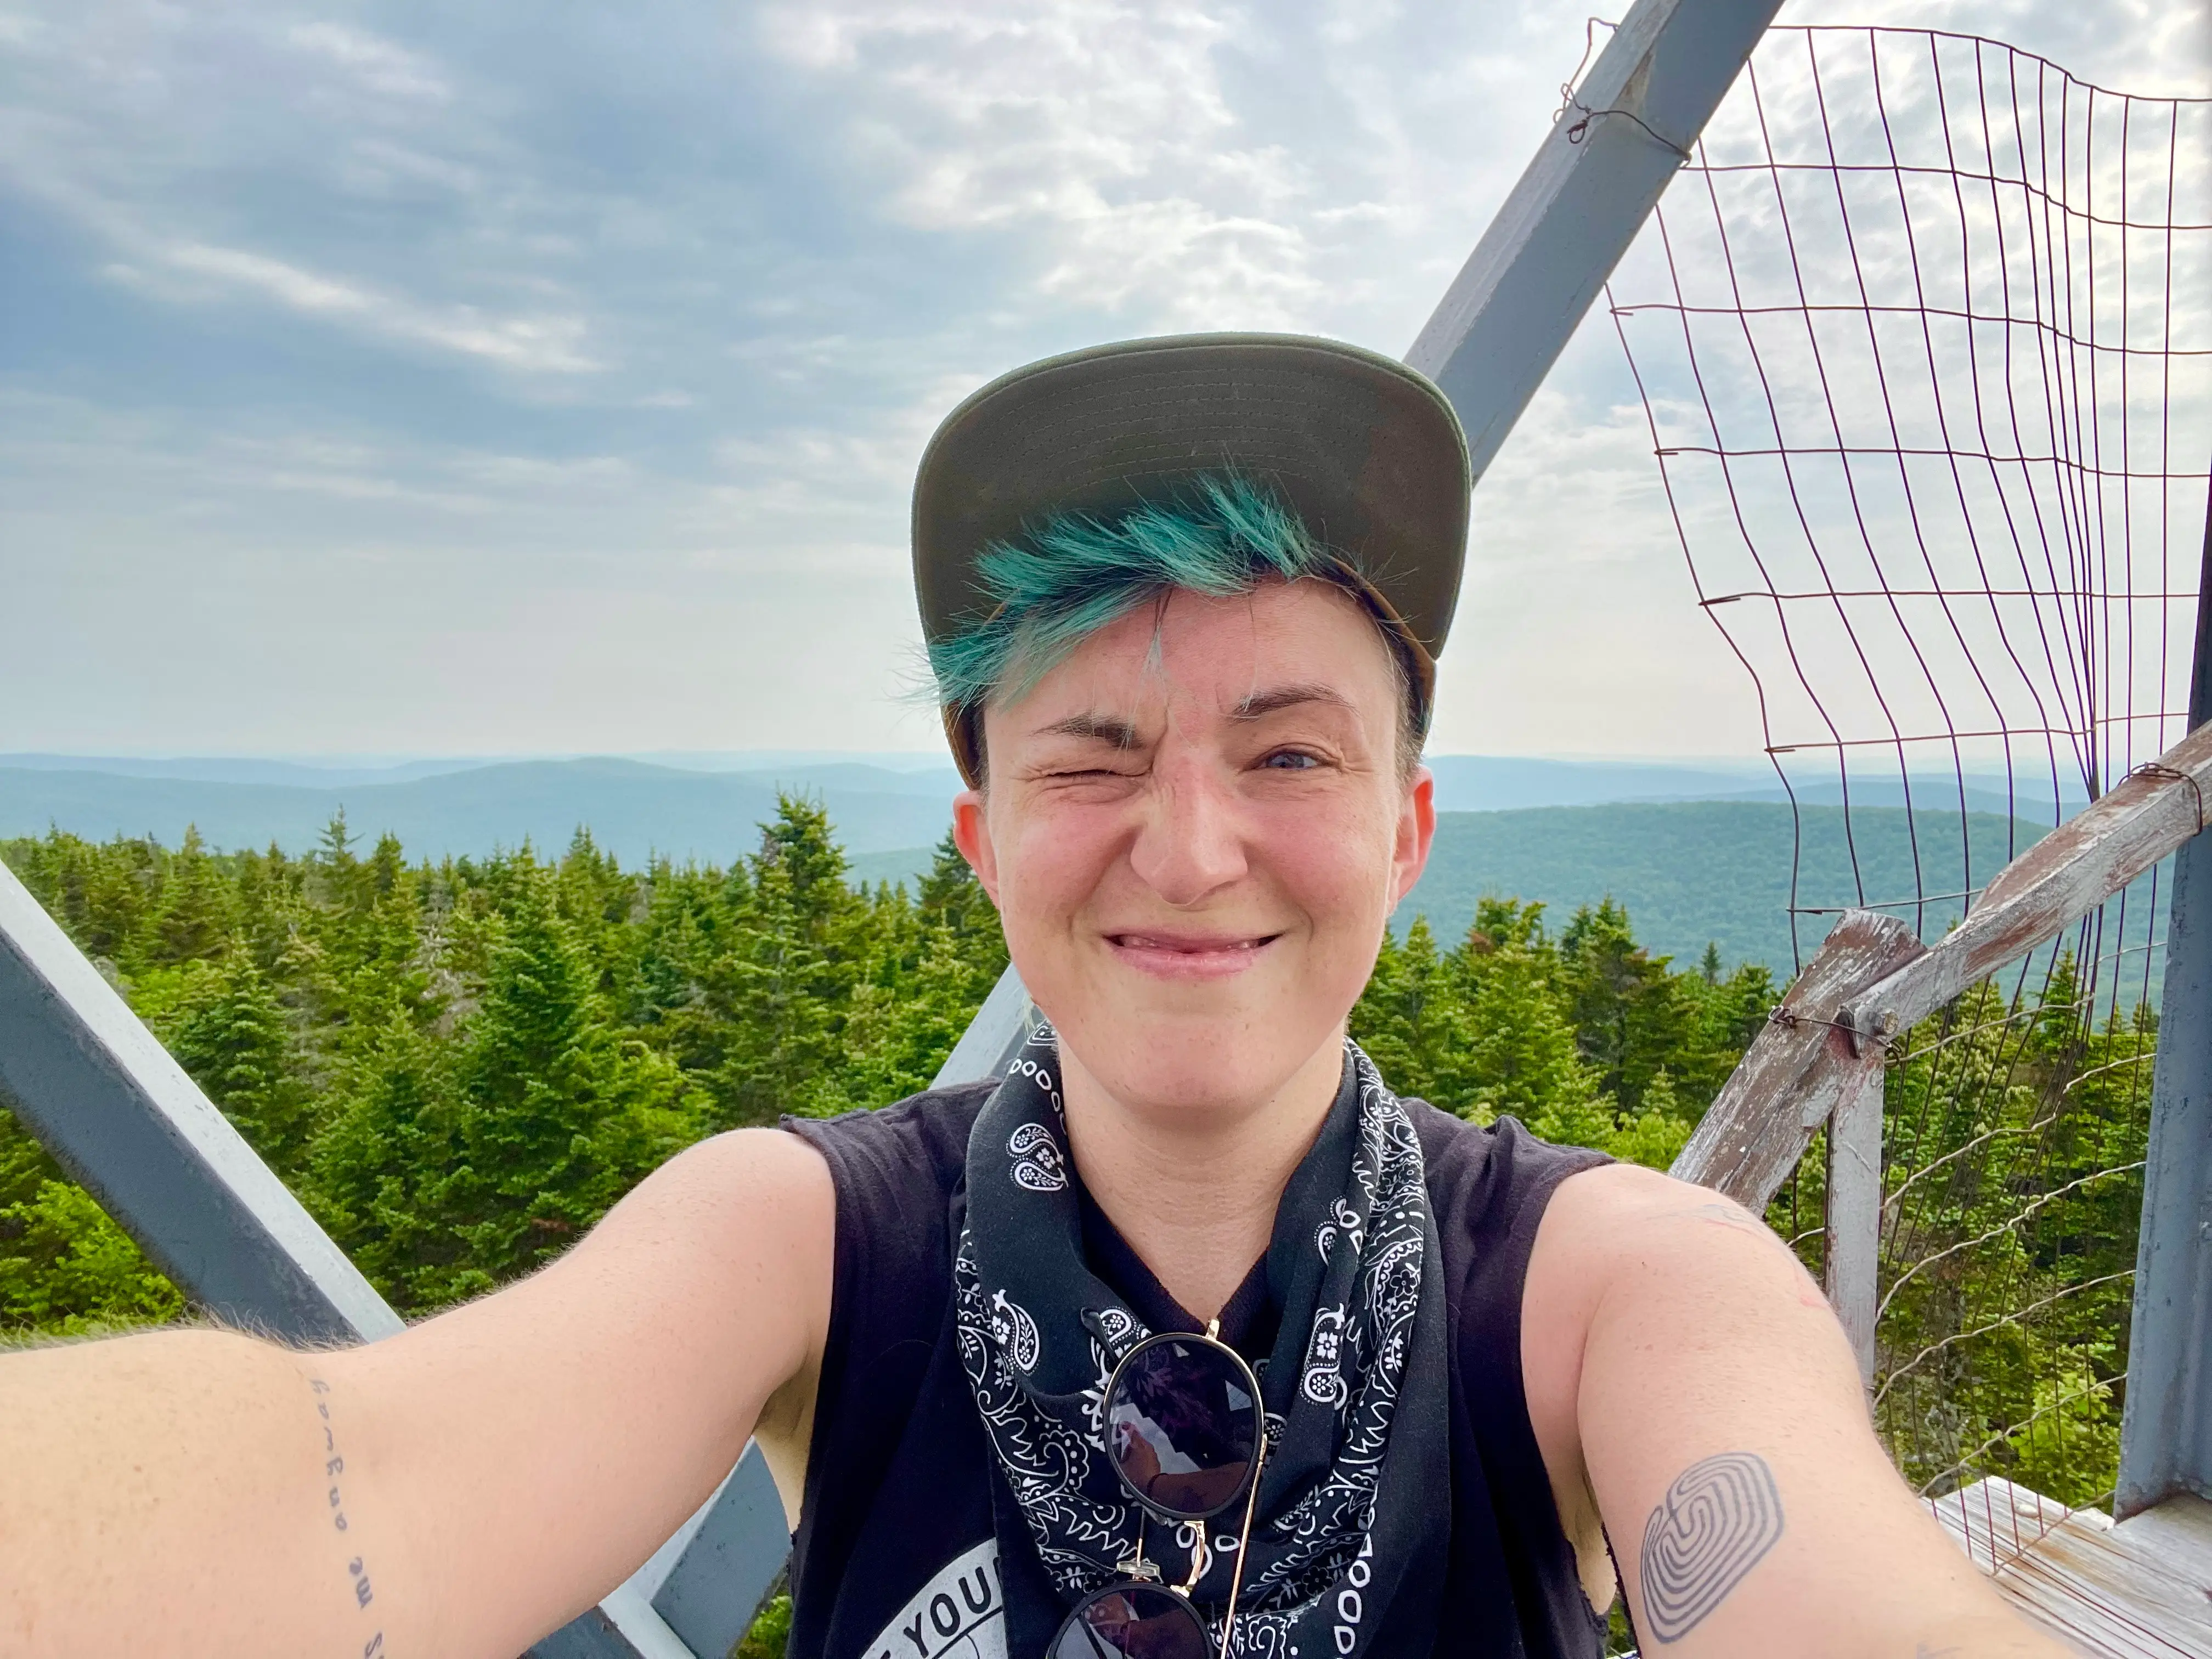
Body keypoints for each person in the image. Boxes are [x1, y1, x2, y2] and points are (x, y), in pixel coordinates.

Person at [0, 335, 2067, 1659]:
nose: (1187, 849)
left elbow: (1819, 1583)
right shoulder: (807, 1244)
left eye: (1287, 751)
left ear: (1410, 830)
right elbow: (357, 1481)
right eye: (1087, 759)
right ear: (987, 842)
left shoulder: (1616, 1288)